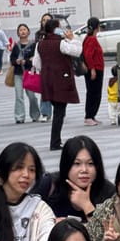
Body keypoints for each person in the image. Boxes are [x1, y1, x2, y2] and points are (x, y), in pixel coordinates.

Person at [38, 135, 115, 222]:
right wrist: (50, 224)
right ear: (66, 165)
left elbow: (107, 232)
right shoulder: (48, 185)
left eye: (90, 163)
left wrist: (86, 205)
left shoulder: (109, 193)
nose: (84, 170)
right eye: (77, 163)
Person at [34, 18, 82, 151]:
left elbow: (37, 64)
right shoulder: (61, 43)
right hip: (61, 80)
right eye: (60, 27)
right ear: (55, 29)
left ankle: (56, 141)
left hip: (47, 80)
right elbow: (77, 51)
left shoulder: (40, 44)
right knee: (59, 112)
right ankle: (55, 142)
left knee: (58, 111)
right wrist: (73, 39)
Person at [10, 23, 40, 124]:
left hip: (29, 73)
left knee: (32, 96)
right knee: (19, 96)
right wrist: (16, 61)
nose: (22, 31)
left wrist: (25, 61)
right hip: (18, 74)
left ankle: (35, 115)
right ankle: (19, 117)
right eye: (20, 30)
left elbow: (35, 59)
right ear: (18, 33)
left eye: (24, 29)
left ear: (28, 32)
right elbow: (12, 59)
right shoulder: (16, 46)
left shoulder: (33, 45)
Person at [82, 16, 104, 125]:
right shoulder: (91, 39)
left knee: (94, 92)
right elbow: (88, 55)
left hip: (96, 69)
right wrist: (92, 69)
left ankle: (92, 115)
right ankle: (89, 116)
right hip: (95, 69)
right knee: (93, 93)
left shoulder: (89, 38)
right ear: (97, 27)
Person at [35, 13, 53, 122]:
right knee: (45, 91)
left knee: (56, 91)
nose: (45, 22)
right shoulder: (39, 34)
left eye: (48, 20)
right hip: (44, 66)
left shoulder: (57, 33)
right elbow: (36, 50)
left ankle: (59, 110)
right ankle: (45, 113)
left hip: (56, 66)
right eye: (43, 20)